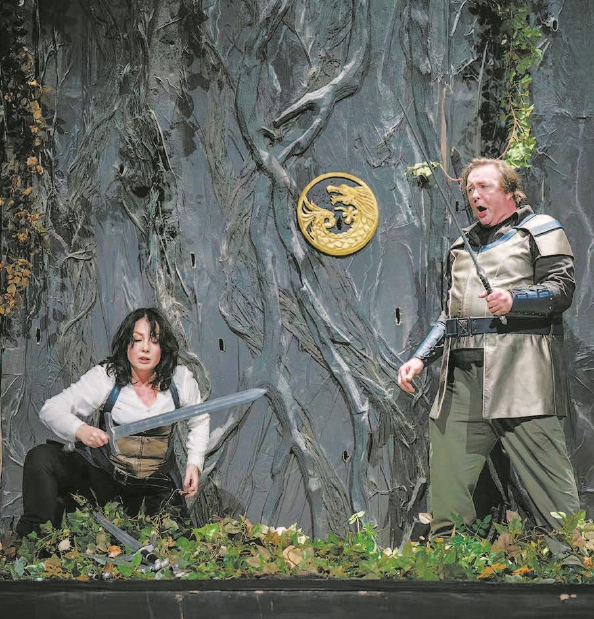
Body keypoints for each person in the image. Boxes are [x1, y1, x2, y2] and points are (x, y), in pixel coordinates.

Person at [397, 157, 580, 536]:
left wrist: (515, 300)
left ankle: (571, 558)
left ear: (511, 193)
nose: (474, 195)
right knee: (448, 482)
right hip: (461, 379)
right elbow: (450, 316)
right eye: (470, 189)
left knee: (551, 487)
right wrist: (420, 358)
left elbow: (561, 289)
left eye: (484, 187)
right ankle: (450, 558)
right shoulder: (460, 247)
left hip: (520, 374)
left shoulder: (539, 230)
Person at [16, 307, 210, 537]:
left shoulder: (181, 379)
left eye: (154, 341)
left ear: (163, 347)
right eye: (137, 340)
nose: (145, 348)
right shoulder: (107, 377)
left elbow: (200, 420)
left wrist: (194, 463)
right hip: (106, 480)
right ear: (126, 343)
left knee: (176, 543)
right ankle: (37, 539)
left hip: (156, 484)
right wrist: (81, 429)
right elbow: (51, 410)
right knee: (41, 458)